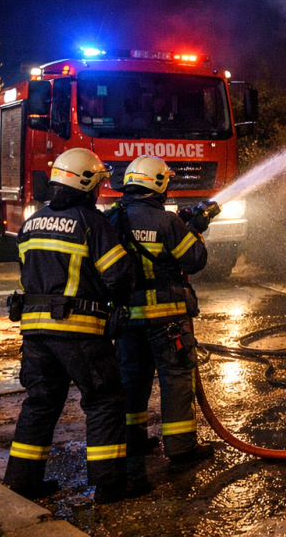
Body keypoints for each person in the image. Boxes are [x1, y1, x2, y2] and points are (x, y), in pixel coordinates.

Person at [3, 148, 137, 504]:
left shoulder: (31, 222)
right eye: (97, 185)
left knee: (41, 402)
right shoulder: (91, 222)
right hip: (78, 331)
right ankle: (109, 485)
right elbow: (119, 275)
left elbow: (30, 270)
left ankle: (21, 481)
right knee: (104, 399)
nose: (99, 192)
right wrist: (120, 302)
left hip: (34, 333)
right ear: (87, 183)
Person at [110, 155, 215, 478]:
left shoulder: (112, 218)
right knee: (176, 378)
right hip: (167, 318)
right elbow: (194, 260)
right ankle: (181, 446)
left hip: (128, 319)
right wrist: (195, 229)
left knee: (131, 380)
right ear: (158, 184)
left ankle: (133, 440)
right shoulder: (168, 223)